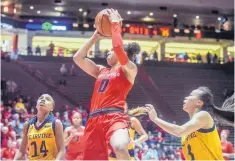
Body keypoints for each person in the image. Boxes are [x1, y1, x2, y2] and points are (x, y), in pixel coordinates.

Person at [73, 8, 140, 160]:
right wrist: (93, 38)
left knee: (120, 147)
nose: (108, 53)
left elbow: (117, 47)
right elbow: (78, 58)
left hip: (114, 116)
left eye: (110, 51)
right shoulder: (101, 70)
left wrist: (115, 23)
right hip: (93, 119)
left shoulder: (130, 69)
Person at [145, 87, 234, 160]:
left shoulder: (203, 115)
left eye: (190, 95)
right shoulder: (187, 131)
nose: (186, 97)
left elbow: (179, 131)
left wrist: (155, 119)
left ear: (199, 102)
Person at [14, 94, 65, 160]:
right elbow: (21, 151)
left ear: (52, 108)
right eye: (41, 98)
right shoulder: (28, 124)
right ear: (36, 105)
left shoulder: (56, 123)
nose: (43, 100)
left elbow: (62, 150)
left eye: (47, 99)